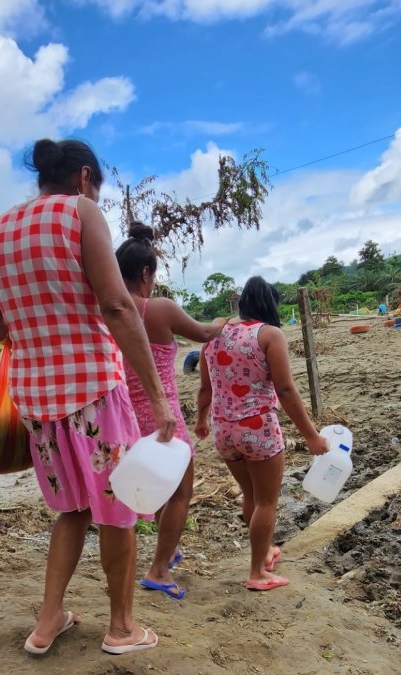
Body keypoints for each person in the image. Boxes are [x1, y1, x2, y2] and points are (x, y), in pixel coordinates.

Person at [0, 139, 174, 656]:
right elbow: (116, 305)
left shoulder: (0, 228)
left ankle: (47, 623)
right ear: (84, 177)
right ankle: (122, 627)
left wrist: (34, 338)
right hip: (92, 390)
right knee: (118, 507)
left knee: (71, 511)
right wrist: (158, 398)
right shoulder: (80, 212)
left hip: (36, 399)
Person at [115, 223, 227, 600]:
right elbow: (204, 334)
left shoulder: (108, 312)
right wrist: (221, 322)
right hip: (162, 415)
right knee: (180, 491)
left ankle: (167, 550)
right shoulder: (158, 308)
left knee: (159, 489)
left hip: (125, 418)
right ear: (146, 273)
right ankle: (159, 568)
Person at [195, 276, 328, 591]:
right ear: (271, 305)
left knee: (251, 496)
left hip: (224, 430)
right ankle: (257, 572)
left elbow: (205, 387)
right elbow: (284, 388)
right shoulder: (270, 335)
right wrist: (311, 435)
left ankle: (265, 552)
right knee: (267, 502)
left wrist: (201, 419)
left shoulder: (213, 334)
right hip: (258, 429)